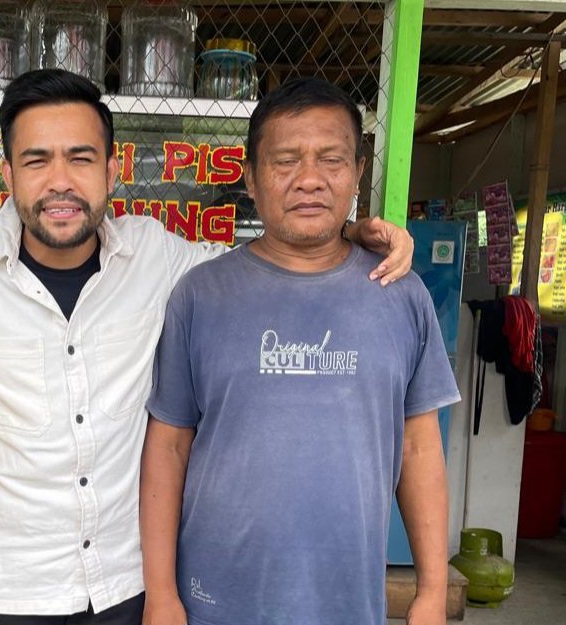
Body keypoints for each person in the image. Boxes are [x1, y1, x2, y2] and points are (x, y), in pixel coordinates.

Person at [0, 69, 416, 625]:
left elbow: (271, 253)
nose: (60, 182)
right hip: (6, 592)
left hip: (127, 586)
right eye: (37, 160)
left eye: (82, 158)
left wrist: (349, 231)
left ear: (113, 170)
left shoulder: (156, 258)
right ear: (7, 172)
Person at [140, 77, 458, 625]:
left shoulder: (400, 292)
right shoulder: (201, 294)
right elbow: (169, 448)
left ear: (358, 172)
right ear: (251, 179)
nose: (309, 180)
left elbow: (419, 448)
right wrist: (161, 594)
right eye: (285, 161)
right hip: (212, 599)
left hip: (349, 603)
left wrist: (431, 589)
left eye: (331, 160)